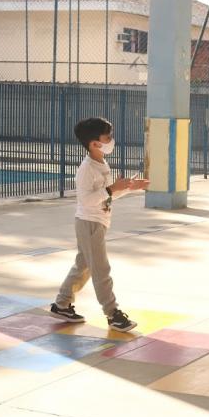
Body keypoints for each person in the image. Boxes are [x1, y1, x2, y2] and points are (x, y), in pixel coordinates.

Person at [49, 117, 149, 332]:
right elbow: (86, 200)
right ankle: (113, 314)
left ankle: (62, 304)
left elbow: (105, 196)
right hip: (89, 223)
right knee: (101, 270)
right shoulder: (87, 169)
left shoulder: (101, 163)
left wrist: (129, 187)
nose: (112, 140)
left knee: (84, 265)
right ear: (94, 143)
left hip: (97, 222)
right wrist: (113, 189)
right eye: (108, 137)